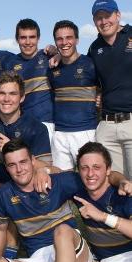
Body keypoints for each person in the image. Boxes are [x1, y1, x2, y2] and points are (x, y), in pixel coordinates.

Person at [0, 138, 95, 262]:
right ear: (6, 167)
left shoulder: (58, 182)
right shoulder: (4, 193)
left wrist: (45, 170)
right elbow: (0, 231)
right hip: (38, 260)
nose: (19, 169)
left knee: (62, 230)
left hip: (73, 251)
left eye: (23, 162)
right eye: (12, 165)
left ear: (33, 161)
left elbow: (101, 179)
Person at [0, 71, 51, 210]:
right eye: (2, 94)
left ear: (22, 97)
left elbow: (47, 167)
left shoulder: (36, 128)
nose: (6, 99)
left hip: (28, 190)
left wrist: (13, 149)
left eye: (13, 94)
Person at [52, 142, 132, 262]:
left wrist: (103, 217)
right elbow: (52, 172)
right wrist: (42, 171)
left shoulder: (123, 192)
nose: (90, 174)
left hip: (127, 258)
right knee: (62, 231)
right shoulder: (77, 187)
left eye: (96, 167)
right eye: (84, 168)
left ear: (108, 170)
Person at [88, 0, 132, 180]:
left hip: (131, 121)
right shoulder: (94, 47)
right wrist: (57, 53)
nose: (104, 21)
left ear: (118, 15)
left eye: (107, 16)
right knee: (113, 181)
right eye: (99, 18)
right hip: (106, 126)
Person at [48, 20, 98, 170]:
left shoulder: (90, 64)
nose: (64, 42)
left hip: (86, 132)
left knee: (90, 180)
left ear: (76, 40)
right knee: (62, 182)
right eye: (59, 39)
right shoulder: (52, 68)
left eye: (69, 37)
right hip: (60, 134)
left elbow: (105, 88)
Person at [6, 19, 55, 141]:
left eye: (32, 37)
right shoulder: (10, 64)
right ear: (17, 39)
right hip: (22, 125)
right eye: (23, 37)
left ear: (38, 38)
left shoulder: (49, 57)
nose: (28, 42)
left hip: (48, 124)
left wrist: (57, 51)